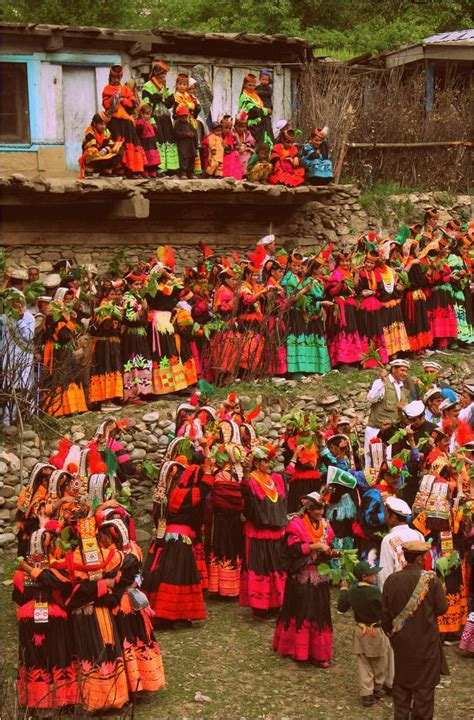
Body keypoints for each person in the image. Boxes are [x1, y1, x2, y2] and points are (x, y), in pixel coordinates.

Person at [382, 540, 449, 720]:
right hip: (426, 644)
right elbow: (442, 609)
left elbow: (385, 617)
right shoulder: (432, 580)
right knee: (424, 692)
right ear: (420, 559)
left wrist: (394, 637)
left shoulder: (391, 580)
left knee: (402, 687)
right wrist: (442, 591)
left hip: (402, 644)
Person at [273, 491, 335, 666]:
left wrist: (330, 551)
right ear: (307, 508)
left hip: (320, 574)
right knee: (302, 609)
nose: (319, 512)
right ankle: (298, 649)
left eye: (321, 508)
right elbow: (292, 550)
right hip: (302, 574)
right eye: (315, 509)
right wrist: (315, 546)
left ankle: (319, 652)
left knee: (320, 609)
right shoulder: (296, 524)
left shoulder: (325, 525)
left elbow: (330, 545)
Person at [239, 446, 287, 618]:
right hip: (258, 532)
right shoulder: (251, 480)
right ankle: (259, 606)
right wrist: (245, 472)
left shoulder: (274, 479)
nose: (268, 464)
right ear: (257, 464)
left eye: (268, 460)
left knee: (275, 566)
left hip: (274, 532)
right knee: (261, 567)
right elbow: (245, 494)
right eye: (265, 461)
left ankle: (276, 603)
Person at [338, 561, 389, 707]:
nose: (376, 576)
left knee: (363, 662)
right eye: (373, 574)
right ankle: (377, 687)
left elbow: (342, 608)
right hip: (376, 630)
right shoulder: (374, 592)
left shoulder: (352, 591)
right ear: (365, 577)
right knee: (379, 660)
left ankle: (367, 693)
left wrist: (343, 590)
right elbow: (385, 609)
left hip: (360, 630)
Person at [364, 359, 409, 469]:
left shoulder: (402, 387)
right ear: (393, 369)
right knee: (373, 462)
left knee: (388, 463)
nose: (405, 374)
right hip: (376, 430)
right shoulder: (381, 382)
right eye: (402, 370)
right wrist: (383, 383)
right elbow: (371, 398)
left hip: (392, 433)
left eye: (406, 371)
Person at [101, 65, 145, 177]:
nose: (116, 80)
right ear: (110, 77)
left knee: (130, 144)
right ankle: (117, 169)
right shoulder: (106, 89)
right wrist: (112, 99)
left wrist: (122, 99)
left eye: (118, 78)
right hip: (114, 121)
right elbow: (105, 105)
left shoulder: (126, 89)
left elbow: (133, 104)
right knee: (116, 144)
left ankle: (131, 170)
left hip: (126, 122)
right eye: (114, 78)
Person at [141, 60, 179, 174]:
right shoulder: (147, 86)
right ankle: (159, 168)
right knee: (158, 140)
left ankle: (170, 167)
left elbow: (168, 103)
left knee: (168, 139)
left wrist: (169, 96)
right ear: (155, 74)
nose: (163, 76)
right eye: (161, 74)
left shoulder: (163, 86)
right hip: (154, 116)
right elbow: (146, 105)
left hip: (165, 117)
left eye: (164, 74)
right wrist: (151, 120)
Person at [79, 113, 124, 178]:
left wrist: (105, 150)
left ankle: (105, 172)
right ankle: (89, 171)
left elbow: (110, 144)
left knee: (119, 148)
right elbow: (92, 145)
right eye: (101, 124)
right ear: (94, 124)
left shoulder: (106, 132)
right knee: (92, 150)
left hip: (102, 155)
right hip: (94, 156)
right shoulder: (90, 132)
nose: (103, 127)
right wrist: (100, 151)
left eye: (105, 124)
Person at [238, 73, 272, 145]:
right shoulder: (244, 97)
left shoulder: (255, 95)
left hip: (262, 125)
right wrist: (266, 110)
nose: (252, 87)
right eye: (249, 85)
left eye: (253, 85)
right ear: (245, 85)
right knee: (256, 146)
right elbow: (253, 111)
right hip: (252, 127)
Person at [136, 104, 161, 177]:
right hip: (145, 143)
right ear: (141, 113)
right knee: (146, 158)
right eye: (147, 114)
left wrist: (155, 129)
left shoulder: (148, 122)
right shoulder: (140, 122)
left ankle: (152, 170)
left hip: (151, 143)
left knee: (152, 157)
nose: (149, 116)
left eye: (150, 114)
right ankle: (145, 170)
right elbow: (138, 133)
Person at [174, 106, 198, 179]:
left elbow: (194, 131)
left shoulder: (189, 124)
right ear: (179, 116)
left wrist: (193, 134)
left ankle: (191, 172)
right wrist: (185, 134)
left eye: (185, 116)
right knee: (184, 159)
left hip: (191, 145)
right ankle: (183, 172)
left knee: (191, 159)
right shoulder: (177, 125)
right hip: (182, 146)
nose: (184, 118)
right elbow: (176, 134)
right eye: (182, 116)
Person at [254, 70, 275, 145]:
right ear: (260, 79)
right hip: (260, 109)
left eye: (267, 80)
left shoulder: (269, 89)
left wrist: (258, 92)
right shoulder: (257, 87)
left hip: (267, 107)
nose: (265, 81)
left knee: (268, 128)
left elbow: (268, 93)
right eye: (263, 79)